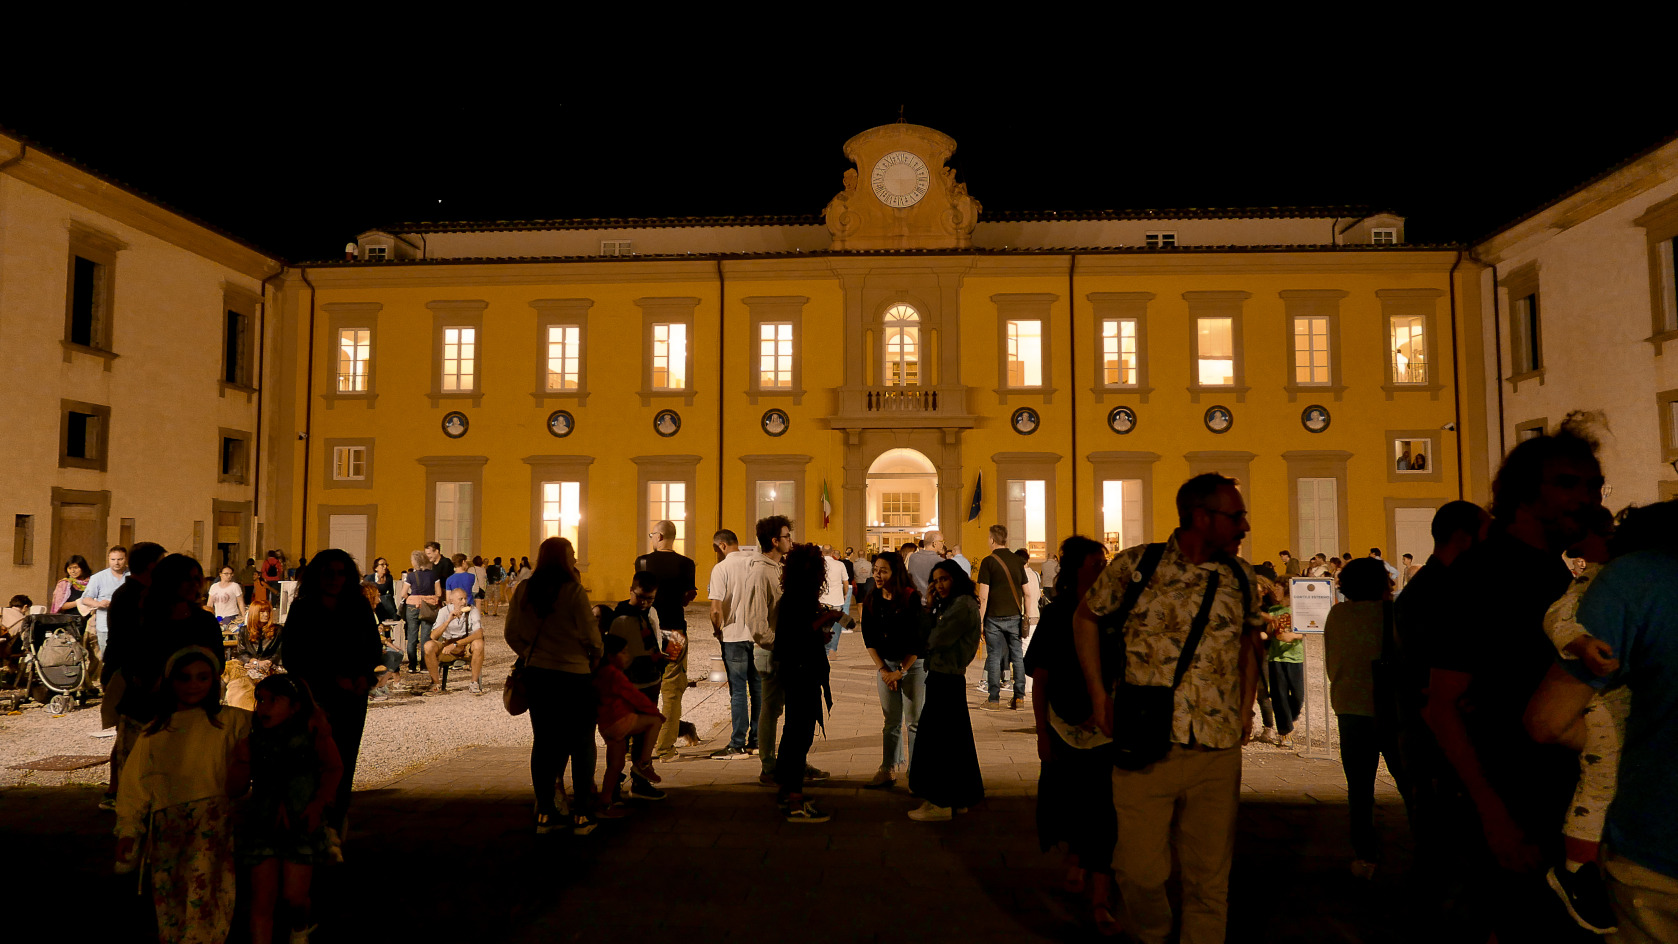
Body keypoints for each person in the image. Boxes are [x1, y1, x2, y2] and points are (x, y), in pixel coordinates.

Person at [1422, 416, 1604, 943]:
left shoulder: (1556, 572)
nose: (1587, 499)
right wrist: (1494, 814)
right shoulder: (1485, 574)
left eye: (1593, 486)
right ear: (1526, 494)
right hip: (1515, 797)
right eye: (1568, 484)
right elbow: (1441, 705)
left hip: (1557, 798)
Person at [1072, 473, 1265, 944]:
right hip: (1145, 742)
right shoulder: (1138, 566)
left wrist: (1245, 705)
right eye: (1235, 516)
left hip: (1216, 749)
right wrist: (1099, 695)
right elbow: (1086, 617)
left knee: (1209, 880)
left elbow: (1249, 641)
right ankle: (1154, 935)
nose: (1244, 526)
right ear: (1201, 517)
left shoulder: (1240, 577)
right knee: (1137, 871)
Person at [1526, 500, 1678, 943]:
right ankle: (1577, 869)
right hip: (1608, 705)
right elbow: (1558, 618)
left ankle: (1576, 872)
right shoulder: (1602, 581)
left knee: (1602, 779)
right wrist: (1580, 644)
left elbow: (1547, 723)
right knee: (1601, 778)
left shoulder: (1631, 581)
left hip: (1655, 862)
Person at [114, 646, 251, 944]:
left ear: (215, 680)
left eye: (202, 677)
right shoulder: (155, 731)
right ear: (170, 682)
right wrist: (129, 829)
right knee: (170, 893)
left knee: (206, 894)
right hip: (168, 825)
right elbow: (134, 784)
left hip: (214, 824)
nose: (193, 685)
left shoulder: (235, 722)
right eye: (185, 677)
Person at [1026, 535, 1120, 934]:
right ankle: (1076, 856)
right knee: (1069, 806)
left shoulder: (1116, 612)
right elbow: (1041, 679)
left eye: (1105, 562)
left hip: (1105, 728)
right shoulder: (1057, 613)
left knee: (1105, 813)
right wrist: (1042, 734)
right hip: (1063, 726)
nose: (1103, 567)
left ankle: (1100, 900)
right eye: (1096, 562)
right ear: (1077, 566)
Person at [279, 549, 381, 854]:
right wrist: (329, 678)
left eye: (340, 573)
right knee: (313, 762)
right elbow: (294, 656)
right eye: (328, 572)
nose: (335, 579)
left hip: (352, 696)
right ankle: (311, 824)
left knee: (344, 760)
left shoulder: (358, 607)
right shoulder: (303, 609)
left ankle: (334, 825)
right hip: (316, 696)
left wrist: (365, 676)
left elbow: (372, 647)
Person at [231, 673, 342, 944]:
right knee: (262, 899)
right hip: (263, 823)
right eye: (259, 700)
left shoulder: (313, 734)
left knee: (294, 895)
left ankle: (301, 926)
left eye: (273, 700)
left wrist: (320, 804)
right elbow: (235, 789)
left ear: (295, 706)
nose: (263, 707)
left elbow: (333, 768)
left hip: (301, 821)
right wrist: (242, 762)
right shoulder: (253, 740)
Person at [504, 536, 602, 836]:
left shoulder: (524, 590)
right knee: (582, 743)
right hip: (574, 674)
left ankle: (545, 812)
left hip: (539, 675)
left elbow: (511, 633)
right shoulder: (572, 591)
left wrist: (531, 655)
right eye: (572, 553)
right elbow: (591, 636)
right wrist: (594, 657)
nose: (574, 558)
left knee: (544, 743)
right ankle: (582, 814)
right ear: (562, 558)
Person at [1324, 557, 1408, 879]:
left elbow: (1333, 664)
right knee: (1408, 782)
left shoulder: (1337, 615)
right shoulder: (1392, 614)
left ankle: (1365, 857)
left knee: (1359, 791)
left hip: (1349, 708)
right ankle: (1428, 848)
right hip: (1391, 709)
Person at [744, 515, 828, 787]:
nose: (791, 540)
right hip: (773, 652)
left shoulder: (777, 567)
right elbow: (757, 624)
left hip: (785, 650)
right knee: (773, 711)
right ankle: (770, 766)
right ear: (774, 541)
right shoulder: (760, 572)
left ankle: (793, 764)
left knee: (792, 712)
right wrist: (784, 646)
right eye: (787, 536)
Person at [907, 559, 984, 821]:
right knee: (953, 741)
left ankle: (939, 802)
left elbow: (934, 639)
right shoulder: (956, 603)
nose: (939, 585)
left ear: (956, 579)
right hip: (945, 675)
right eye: (935, 580)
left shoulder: (962, 605)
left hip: (947, 677)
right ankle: (957, 797)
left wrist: (928, 612)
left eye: (944, 579)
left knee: (937, 741)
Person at [770, 544, 840, 823]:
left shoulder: (796, 595)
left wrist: (819, 634)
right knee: (800, 733)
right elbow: (799, 630)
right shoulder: (798, 597)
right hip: (801, 670)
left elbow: (799, 633)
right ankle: (795, 800)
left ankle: (787, 790)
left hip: (796, 667)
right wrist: (829, 617)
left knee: (795, 731)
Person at [98, 541, 167, 810]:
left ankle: (125, 788)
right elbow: (131, 641)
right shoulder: (133, 595)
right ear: (152, 565)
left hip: (125, 670)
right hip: (128, 673)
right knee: (128, 733)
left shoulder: (135, 592)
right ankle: (118, 791)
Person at [862, 550, 925, 789]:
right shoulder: (872, 598)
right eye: (875, 570)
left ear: (894, 572)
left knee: (914, 721)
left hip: (912, 665)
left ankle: (916, 773)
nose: (877, 575)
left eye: (883, 571)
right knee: (891, 721)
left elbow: (918, 640)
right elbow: (869, 639)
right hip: (886, 666)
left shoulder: (910, 598)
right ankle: (887, 768)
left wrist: (901, 670)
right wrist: (883, 670)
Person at [636, 520, 697, 760]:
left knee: (643, 689)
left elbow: (638, 595)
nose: (652, 538)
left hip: (646, 634)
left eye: (653, 534)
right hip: (674, 633)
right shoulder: (686, 564)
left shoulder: (642, 562)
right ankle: (665, 748)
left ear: (660, 536)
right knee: (671, 691)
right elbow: (685, 599)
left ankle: (637, 748)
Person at [606, 571, 670, 802]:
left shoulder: (651, 612)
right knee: (622, 737)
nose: (644, 602)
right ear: (631, 590)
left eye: (650, 598)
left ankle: (640, 781)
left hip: (651, 680)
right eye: (641, 597)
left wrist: (662, 654)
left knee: (644, 735)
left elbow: (651, 640)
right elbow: (615, 654)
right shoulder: (620, 619)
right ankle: (612, 785)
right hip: (630, 684)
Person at [594, 634, 665, 817]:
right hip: (620, 720)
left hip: (606, 726)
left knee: (615, 765)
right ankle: (644, 763)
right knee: (654, 722)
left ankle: (605, 802)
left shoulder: (600, 673)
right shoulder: (614, 674)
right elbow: (635, 696)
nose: (628, 656)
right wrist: (656, 712)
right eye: (623, 652)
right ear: (610, 656)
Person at [708, 529, 761, 760]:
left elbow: (716, 608)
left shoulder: (721, 569)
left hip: (733, 635)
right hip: (757, 635)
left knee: (738, 690)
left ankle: (737, 743)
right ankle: (758, 741)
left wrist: (717, 629)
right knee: (758, 689)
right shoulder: (754, 564)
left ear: (721, 546)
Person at [976, 524, 1030, 710]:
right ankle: (1019, 698)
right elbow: (1027, 592)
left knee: (993, 656)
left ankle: (993, 699)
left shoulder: (988, 562)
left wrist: (980, 621)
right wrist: (1027, 615)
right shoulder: (1017, 561)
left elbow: (983, 596)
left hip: (993, 617)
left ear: (992, 539)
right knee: (1017, 656)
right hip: (1015, 615)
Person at [1264, 577, 1304, 749]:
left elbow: (1305, 631)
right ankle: (1284, 732)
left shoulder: (1298, 609)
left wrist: (1293, 636)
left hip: (1295, 657)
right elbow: (1269, 632)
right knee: (1279, 695)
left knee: (1297, 695)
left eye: (1278, 588)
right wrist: (1271, 628)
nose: (1275, 591)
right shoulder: (1273, 610)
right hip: (1276, 657)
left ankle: (1292, 719)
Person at [424, 586, 486, 695]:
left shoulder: (472, 610)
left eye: (465, 598)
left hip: (465, 645)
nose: (464, 602)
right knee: (428, 646)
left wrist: (456, 644)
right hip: (447, 644)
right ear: (452, 601)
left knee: (479, 644)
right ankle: (436, 683)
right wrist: (448, 621)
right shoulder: (444, 611)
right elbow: (433, 636)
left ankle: (474, 683)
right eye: (460, 599)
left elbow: (479, 633)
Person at [403, 544, 446, 673]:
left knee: (412, 636)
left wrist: (411, 597)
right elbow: (438, 593)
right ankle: (424, 665)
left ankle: (412, 666)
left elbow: (403, 593)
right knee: (425, 637)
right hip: (428, 607)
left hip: (412, 606)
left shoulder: (411, 576)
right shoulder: (433, 575)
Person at [81, 546, 130, 656]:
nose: (116, 563)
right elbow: (85, 599)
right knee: (108, 658)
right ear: (108, 559)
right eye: (113, 559)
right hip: (105, 625)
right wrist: (98, 604)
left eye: (120, 559)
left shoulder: (132, 575)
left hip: (129, 625)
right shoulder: (98, 577)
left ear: (126, 559)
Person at [819, 544, 849, 657]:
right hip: (837, 599)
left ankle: (823, 648)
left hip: (822, 600)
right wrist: (845, 594)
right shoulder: (840, 564)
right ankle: (832, 648)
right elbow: (845, 582)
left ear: (822, 552)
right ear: (832, 553)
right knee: (837, 626)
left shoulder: (818, 565)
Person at [906, 530, 944, 596]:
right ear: (934, 544)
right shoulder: (941, 561)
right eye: (942, 542)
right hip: (932, 600)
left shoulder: (912, 558)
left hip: (915, 599)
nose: (943, 544)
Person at [364, 557, 398, 623]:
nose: (385, 567)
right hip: (373, 605)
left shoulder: (389, 578)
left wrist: (394, 610)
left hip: (384, 605)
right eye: (382, 565)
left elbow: (391, 594)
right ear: (376, 568)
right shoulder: (369, 578)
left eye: (386, 565)